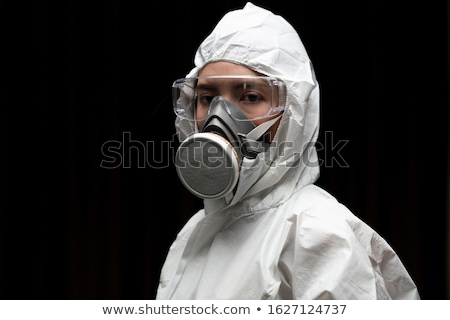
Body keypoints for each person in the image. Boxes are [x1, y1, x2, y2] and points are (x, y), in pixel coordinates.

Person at [156, 2, 420, 300]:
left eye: (250, 96)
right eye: (207, 97)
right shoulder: (196, 230)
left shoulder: (316, 232)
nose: (220, 116)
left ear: (293, 113)